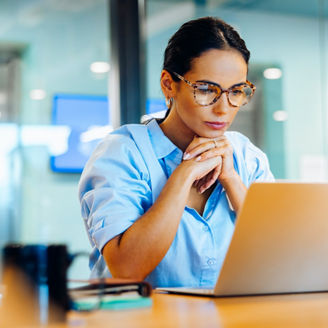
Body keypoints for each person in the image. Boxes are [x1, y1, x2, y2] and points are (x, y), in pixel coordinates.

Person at [78, 16, 274, 288]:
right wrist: (183, 175)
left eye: (236, 92)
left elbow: (278, 256)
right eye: (206, 90)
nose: (223, 109)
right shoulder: (124, 152)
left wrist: (231, 180)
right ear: (169, 84)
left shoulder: (246, 155)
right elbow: (126, 268)